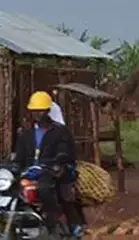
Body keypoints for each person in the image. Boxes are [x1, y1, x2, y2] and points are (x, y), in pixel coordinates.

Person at [14, 91, 85, 237]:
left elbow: (66, 153)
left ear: (48, 111)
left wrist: (54, 163)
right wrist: (14, 167)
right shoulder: (25, 134)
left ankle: (52, 217)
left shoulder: (60, 131)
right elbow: (19, 158)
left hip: (53, 171)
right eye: (34, 111)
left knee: (45, 187)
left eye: (41, 110)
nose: (37, 114)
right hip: (29, 172)